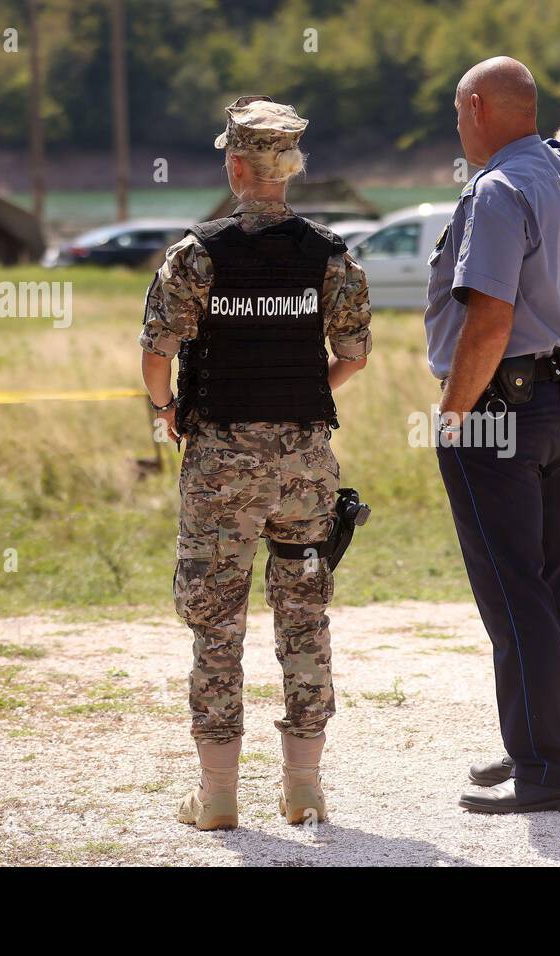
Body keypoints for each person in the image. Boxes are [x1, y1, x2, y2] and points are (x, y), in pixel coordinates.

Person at [139, 95, 371, 830]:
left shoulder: (196, 254)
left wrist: (167, 411)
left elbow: (156, 355)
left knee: (217, 622)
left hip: (220, 461)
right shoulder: (332, 255)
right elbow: (355, 356)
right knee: (303, 614)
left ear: (235, 165)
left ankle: (217, 797)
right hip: (304, 461)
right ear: (290, 167)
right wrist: (301, 395)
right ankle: (304, 788)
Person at [424, 56, 560, 813]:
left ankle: (548, 767)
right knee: (550, 579)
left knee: (512, 590)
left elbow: (489, 318)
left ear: (474, 107)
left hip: (501, 411)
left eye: (457, 112)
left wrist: (453, 413)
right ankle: (539, 739)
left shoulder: (498, 191)